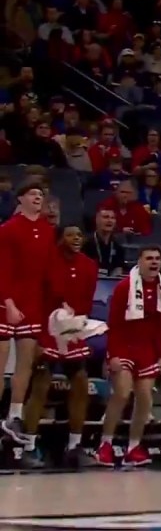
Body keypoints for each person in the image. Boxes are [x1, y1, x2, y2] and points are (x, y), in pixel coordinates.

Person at [20, 225, 98, 468]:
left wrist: (78, 329)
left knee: (81, 382)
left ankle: (74, 446)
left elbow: (86, 303)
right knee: (41, 385)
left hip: (73, 330)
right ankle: (28, 447)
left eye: (79, 235)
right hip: (47, 330)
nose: (76, 239)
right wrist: (38, 337)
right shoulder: (46, 261)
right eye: (71, 234)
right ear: (59, 239)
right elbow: (36, 299)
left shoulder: (89, 266)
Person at [96, 247, 161, 467]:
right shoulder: (124, 287)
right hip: (124, 345)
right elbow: (114, 323)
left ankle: (133, 447)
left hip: (147, 348)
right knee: (122, 393)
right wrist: (113, 354)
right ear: (140, 261)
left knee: (145, 398)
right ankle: (105, 445)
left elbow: (160, 327)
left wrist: (160, 356)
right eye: (149, 258)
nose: (154, 262)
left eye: (157, 259)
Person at [0, 180, 57, 445]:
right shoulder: (8, 229)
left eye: (40, 194)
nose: (37, 197)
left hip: (33, 303)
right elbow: (4, 268)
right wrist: (9, 302)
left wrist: (60, 302)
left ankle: (14, 415)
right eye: (32, 193)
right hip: (7, 300)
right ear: (20, 199)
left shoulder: (47, 231)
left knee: (25, 363)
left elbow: (48, 272)